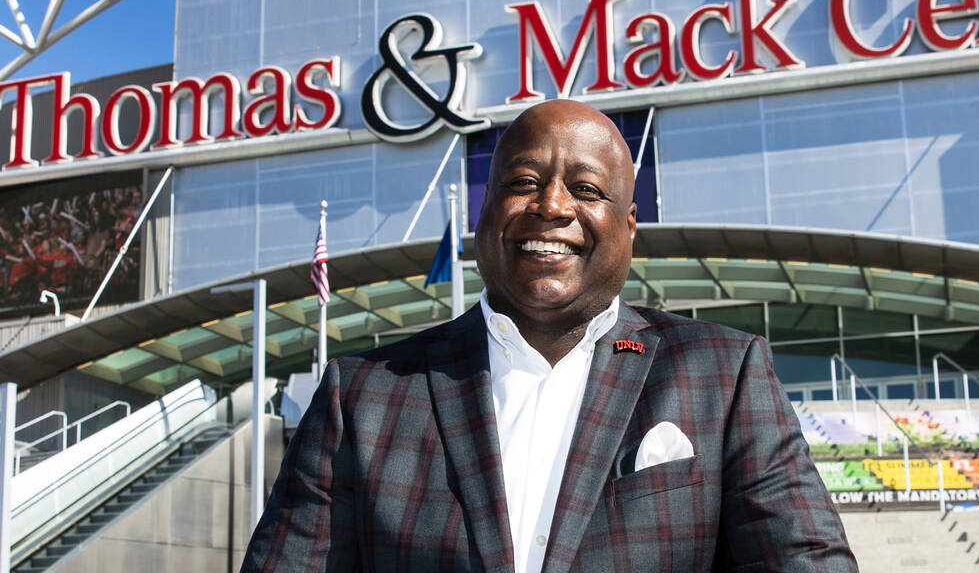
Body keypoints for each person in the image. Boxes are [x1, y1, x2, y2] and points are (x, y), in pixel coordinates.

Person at [241, 99, 857, 572]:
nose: (551, 206)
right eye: (522, 182)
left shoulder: (723, 375)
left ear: (629, 226)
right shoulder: (364, 397)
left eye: (586, 190)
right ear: (486, 214)